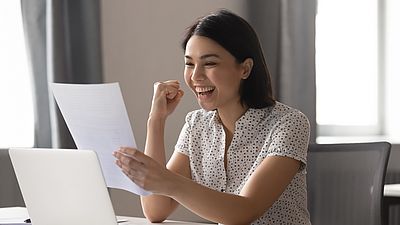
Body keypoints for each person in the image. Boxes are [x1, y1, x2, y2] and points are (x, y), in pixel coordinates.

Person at [113, 9, 311, 225]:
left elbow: (245, 211)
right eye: (189, 63)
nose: (195, 76)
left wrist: (168, 181)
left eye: (209, 63)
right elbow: (156, 210)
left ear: (245, 69)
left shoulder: (289, 123)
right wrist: (156, 120)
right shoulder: (196, 124)